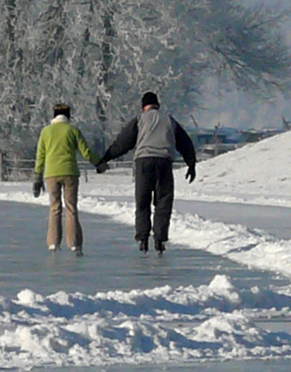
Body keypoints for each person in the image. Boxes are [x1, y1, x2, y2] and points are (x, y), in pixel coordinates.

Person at [99, 91, 196, 253]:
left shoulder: (139, 120)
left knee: (142, 202)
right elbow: (185, 143)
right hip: (164, 162)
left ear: (144, 106)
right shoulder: (169, 120)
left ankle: (143, 239)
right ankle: (159, 239)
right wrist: (191, 164)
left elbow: (123, 143)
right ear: (157, 105)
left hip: (143, 163)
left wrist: (106, 157)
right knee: (163, 202)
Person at [31, 101, 99, 254]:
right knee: (71, 208)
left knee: (54, 208)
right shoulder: (73, 130)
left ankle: (53, 243)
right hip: (70, 173)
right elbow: (86, 151)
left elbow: (40, 156)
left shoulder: (46, 132)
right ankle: (74, 243)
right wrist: (98, 163)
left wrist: (37, 176)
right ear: (68, 116)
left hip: (51, 174)